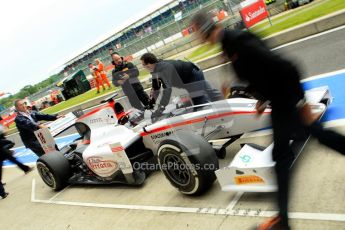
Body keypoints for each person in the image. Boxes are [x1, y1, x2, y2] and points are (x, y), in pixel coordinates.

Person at [192, 12, 345, 230]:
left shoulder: (237, 41)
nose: (196, 37)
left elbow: (284, 66)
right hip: (279, 101)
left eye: (196, 31)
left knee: (293, 150)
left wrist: (302, 102)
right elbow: (259, 74)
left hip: (287, 99)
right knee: (294, 149)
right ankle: (282, 220)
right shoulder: (228, 47)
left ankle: (282, 221)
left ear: (204, 28)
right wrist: (261, 99)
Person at [140, 53, 223, 111]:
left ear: (149, 64)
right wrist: (150, 105)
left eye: (143, 65)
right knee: (209, 92)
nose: (143, 67)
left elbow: (167, 90)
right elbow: (155, 89)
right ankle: (223, 104)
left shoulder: (163, 69)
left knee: (199, 103)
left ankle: (213, 117)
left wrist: (162, 107)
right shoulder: (156, 70)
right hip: (191, 74)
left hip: (192, 75)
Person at [0, 124, 33, 199]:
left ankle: (25, 168)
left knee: (13, 159)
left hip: (3, 151)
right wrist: (8, 143)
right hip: (2, 151)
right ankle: (2, 192)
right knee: (12, 159)